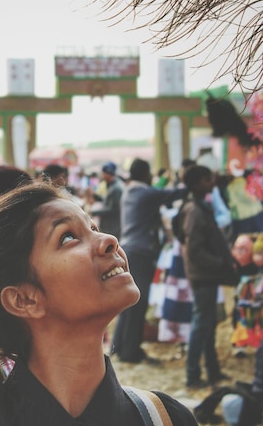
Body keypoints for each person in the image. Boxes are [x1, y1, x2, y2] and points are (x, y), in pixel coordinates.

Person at [0, 182, 205, 426]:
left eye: (94, 227)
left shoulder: (168, 425)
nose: (109, 240)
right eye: (68, 237)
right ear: (24, 300)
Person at [111, 158, 188, 363]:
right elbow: (173, 194)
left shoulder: (130, 190)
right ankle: (131, 352)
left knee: (129, 301)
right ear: (146, 174)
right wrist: (188, 180)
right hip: (141, 251)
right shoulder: (144, 192)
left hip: (131, 249)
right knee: (138, 301)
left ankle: (120, 347)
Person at [178, 165, 239, 389]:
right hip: (203, 276)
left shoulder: (200, 206)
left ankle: (212, 372)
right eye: (206, 180)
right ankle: (193, 375)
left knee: (207, 325)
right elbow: (195, 249)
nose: (211, 183)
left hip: (207, 275)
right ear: (196, 184)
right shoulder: (194, 210)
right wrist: (221, 263)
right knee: (201, 325)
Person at [90, 162, 124, 237]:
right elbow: (108, 201)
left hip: (112, 227)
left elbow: (112, 209)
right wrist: (96, 196)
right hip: (110, 226)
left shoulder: (116, 188)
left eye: (103, 173)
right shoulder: (113, 185)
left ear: (108, 173)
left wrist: (93, 212)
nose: (102, 176)